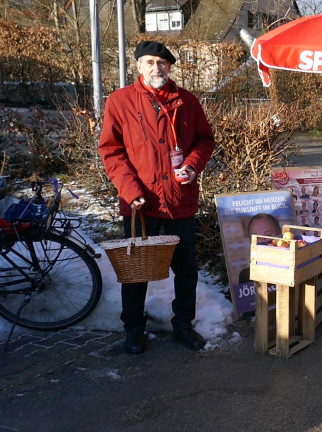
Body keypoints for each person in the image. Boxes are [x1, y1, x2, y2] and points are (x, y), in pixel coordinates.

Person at [98, 41, 215, 355]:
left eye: (162, 63)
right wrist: (131, 191)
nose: (156, 68)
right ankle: (134, 329)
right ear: (138, 66)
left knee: (186, 269)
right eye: (149, 62)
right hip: (141, 204)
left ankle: (183, 326)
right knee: (136, 271)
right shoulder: (120, 101)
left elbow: (205, 140)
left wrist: (191, 165)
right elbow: (111, 151)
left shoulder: (187, 101)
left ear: (170, 67)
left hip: (180, 200)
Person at [238, 213, 281, 284]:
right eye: (257, 238)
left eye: (268, 235)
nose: (263, 241)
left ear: (280, 235)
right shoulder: (246, 277)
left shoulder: (294, 269)